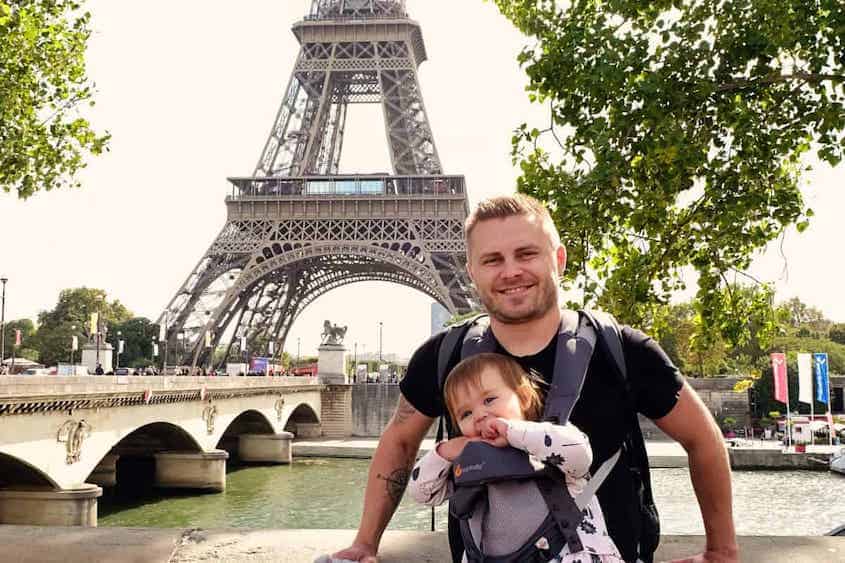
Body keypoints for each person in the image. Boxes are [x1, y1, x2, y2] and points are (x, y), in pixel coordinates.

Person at [332, 194, 738, 563]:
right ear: (471, 271)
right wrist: (365, 543)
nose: (511, 271)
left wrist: (721, 550)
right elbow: (400, 441)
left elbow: (703, 439)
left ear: (558, 260)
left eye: (526, 254)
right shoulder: (441, 356)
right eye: (493, 260)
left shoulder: (623, 349)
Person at [408, 352, 624, 562]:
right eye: (466, 414)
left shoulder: (547, 438)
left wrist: (512, 432)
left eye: (490, 400)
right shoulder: (467, 462)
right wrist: (446, 451)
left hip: (570, 553)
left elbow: (581, 456)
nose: (479, 415)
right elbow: (422, 493)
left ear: (524, 398)